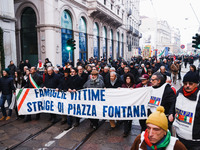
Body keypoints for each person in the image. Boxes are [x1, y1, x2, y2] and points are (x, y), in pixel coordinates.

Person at [173, 71, 200, 149]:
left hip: (195, 141)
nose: (187, 86)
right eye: (185, 83)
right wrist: (172, 113)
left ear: (196, 84)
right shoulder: (180, 92)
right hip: (180, 136)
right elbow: (173, 105)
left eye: (190, 84)